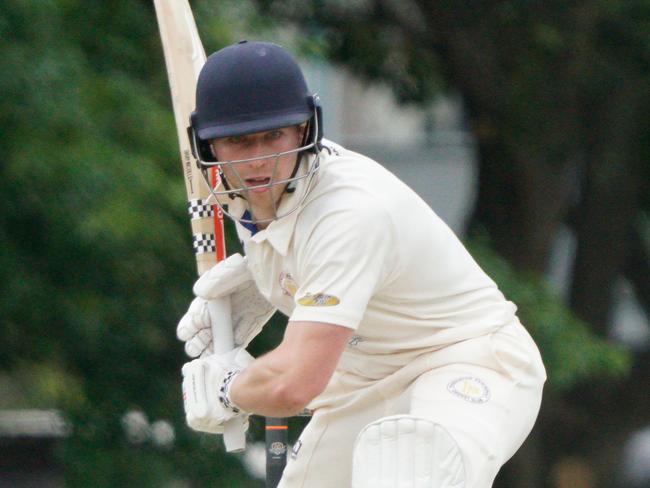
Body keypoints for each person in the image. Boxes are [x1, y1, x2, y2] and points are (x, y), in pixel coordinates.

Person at [176, 40, 546, 488]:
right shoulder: (250, 197)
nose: (259, 160)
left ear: (303, 130)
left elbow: (295, 382)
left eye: (273, 135)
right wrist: (265, 281)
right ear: (210, 145)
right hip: (363, 384)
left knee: (413, 463)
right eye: (238, 141)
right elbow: (305, 251)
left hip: (465, 360)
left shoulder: (349, 211)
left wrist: (229, 390)